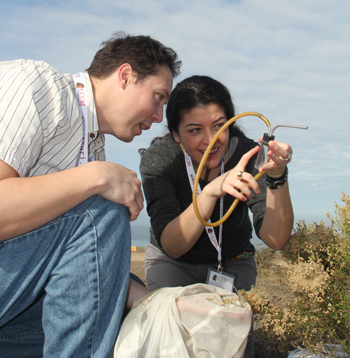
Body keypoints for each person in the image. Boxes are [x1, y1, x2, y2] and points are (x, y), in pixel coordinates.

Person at [0, 32, 181, 358]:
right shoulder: (39, 87)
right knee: (103, 213)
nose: (158, 117)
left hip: (13, 292)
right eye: (158, 97)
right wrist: (96, 177)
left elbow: (83, 262)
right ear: (125, 76)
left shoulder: (89, 142)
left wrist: (161, 307)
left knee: (117, 297)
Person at [139, 75, 294, 357]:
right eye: (195, 130)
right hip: (173, 263)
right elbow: (173, 245)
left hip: (233, 264)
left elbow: (276, 238)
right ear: (175, 134)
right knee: (172, 343)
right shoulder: (160, 159)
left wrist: (277, 176)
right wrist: (210, 192)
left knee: (231, 347)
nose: (210, 141)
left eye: (219, 126)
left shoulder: (247, 153)